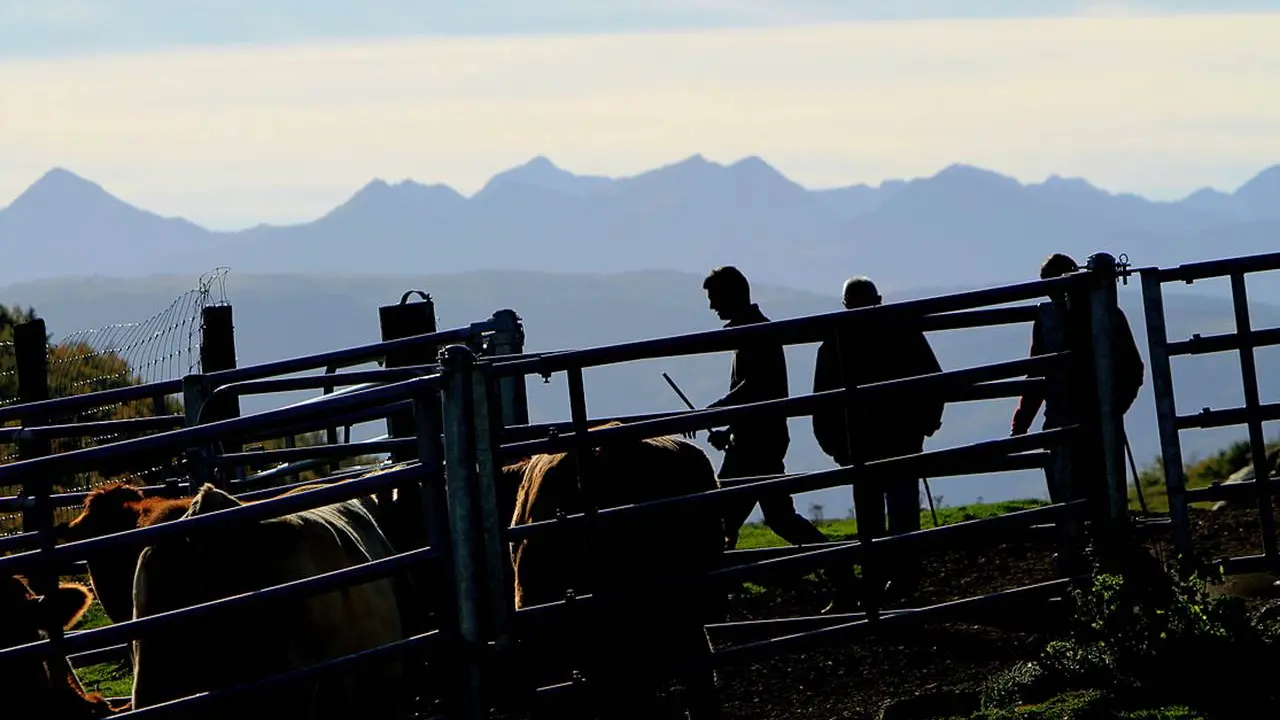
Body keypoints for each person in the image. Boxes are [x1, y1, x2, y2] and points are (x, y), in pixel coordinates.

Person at [699, 266, 860, 613]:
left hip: (754, 444)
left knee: (723, 521)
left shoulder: (754, 334)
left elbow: (755, 387)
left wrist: (718, 413)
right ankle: (841, 573)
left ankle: (716, 599)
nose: (713, 307)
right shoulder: (757, 331)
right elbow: (761, 389)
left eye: (715, 299)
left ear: (731, 295)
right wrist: (729, 426)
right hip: (759, 439)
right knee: (772, 519)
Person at [811, 276, 945, 602]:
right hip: (900, 438)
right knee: (902, 513)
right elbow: (935, 380)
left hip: (861, 443)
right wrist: (925, 423)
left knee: (870, 516)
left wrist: (834, 445)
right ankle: (903, 581)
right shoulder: (903, 331)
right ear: (880, 299)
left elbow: (821, 401)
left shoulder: (836, 342)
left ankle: (877, 581)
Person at [1010, 252, 1145, 505]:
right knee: (1098, 486)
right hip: (1089, 418)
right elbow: (1133, 369)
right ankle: (1102, 535)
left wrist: (1021, 424)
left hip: (1067, 417)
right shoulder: (1107, 314)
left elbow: (1036, 373)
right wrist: (1113, 408)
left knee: (1072, 489)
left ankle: (1084, 538)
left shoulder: (1050, 320)